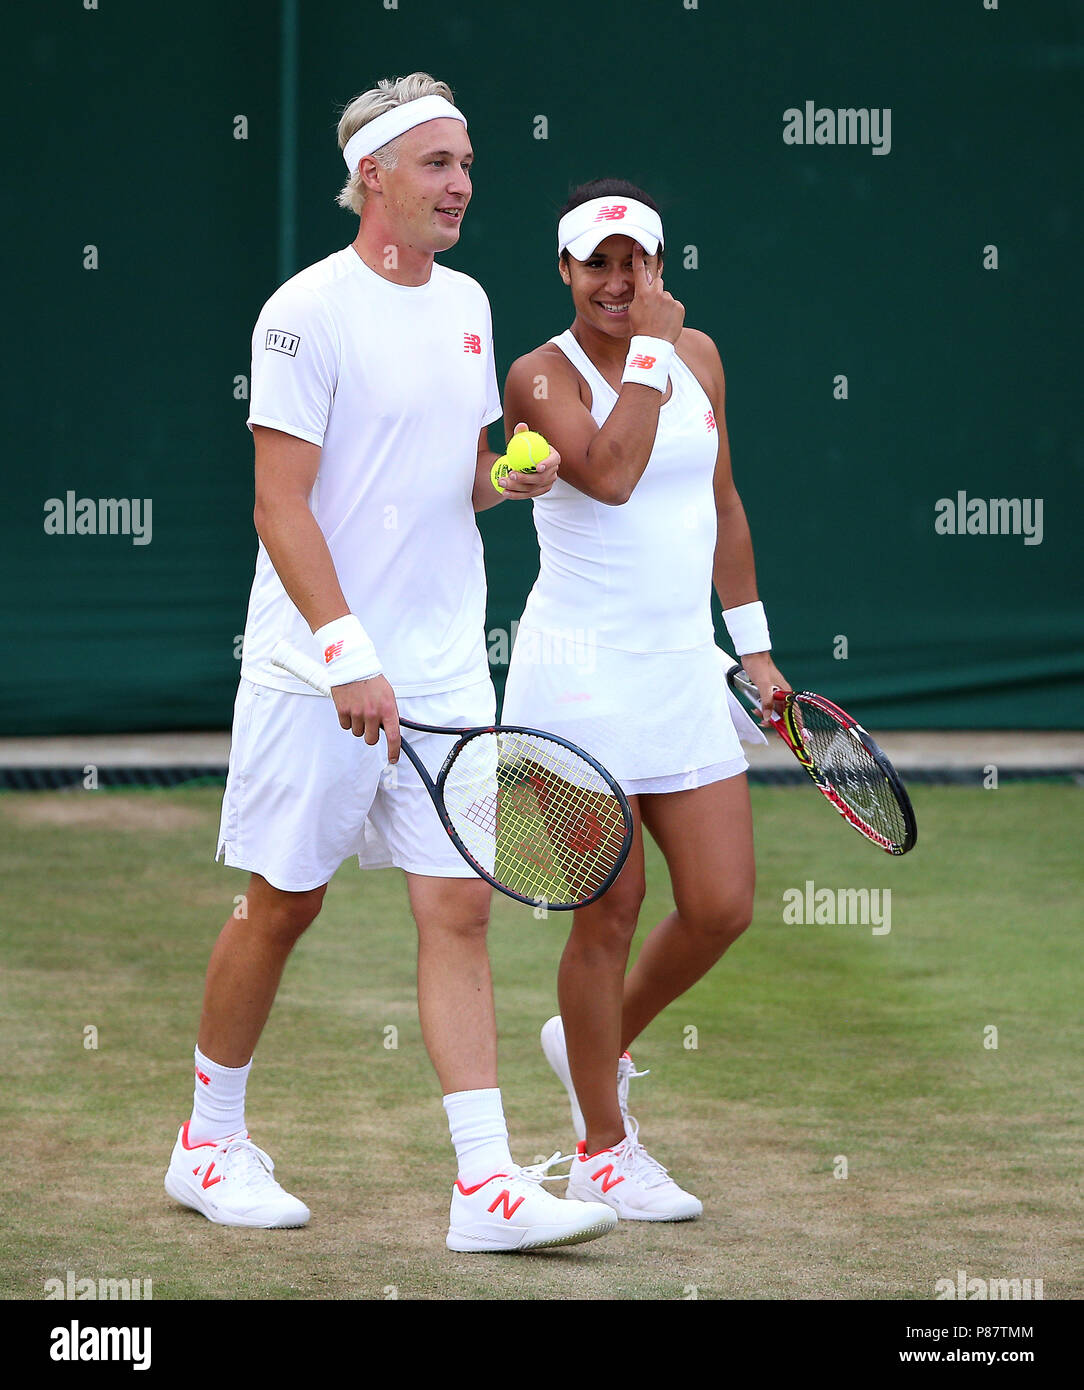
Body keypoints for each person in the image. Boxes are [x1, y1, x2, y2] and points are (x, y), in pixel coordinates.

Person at [164, 75, 617, 1254]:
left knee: (457, 907)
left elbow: (457, 472)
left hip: (446, 665)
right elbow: (281, 505)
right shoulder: (302, 312)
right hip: (316, 667)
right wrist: (346, 652)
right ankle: (208, 1142)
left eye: (466, 164)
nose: (461, 183)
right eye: (435, 164)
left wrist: (504, 481)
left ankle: (486, 1186)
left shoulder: (467, 304)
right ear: (372, 175)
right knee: (282, 904)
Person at [499, 178, 789, 1221]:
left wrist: (753, 655)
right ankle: (601, 1149)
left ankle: (588, 1041)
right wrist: (656, 358)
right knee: (608, 910)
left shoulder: (699, 354)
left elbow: (721, 500)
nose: (617, 280)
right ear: (566, 271)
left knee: (720, 904)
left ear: (658, 266)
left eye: (635, 260)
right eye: (596, 261)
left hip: (680, 671)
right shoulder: (540, 375)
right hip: (575, 683)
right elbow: (611, 473)